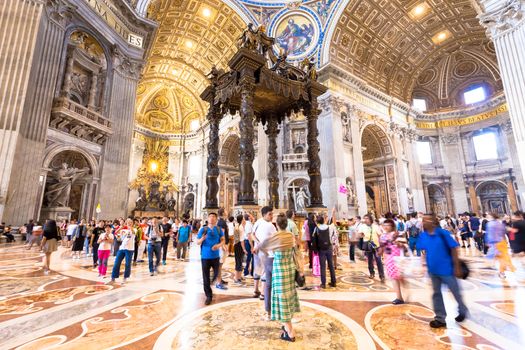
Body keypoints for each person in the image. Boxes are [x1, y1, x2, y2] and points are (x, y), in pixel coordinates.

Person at [417, 214, 468, 328]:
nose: (424, 222)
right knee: (436, 294)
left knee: (455, 292)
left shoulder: (442, 233)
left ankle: (462, 309)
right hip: (433, 270)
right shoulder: (423, 236)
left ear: (434, 222)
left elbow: (453, 248)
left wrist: (457, 266)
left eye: (427, 220)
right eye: (423, 220)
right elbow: (423, 251)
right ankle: (440, 318)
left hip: (447, 269)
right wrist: (424, 265)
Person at [258, 213, 300, 342]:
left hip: (279, 270)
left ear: (277, 224)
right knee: (288, 296)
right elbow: (296, 252)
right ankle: (285, 326)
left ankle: (290, 332)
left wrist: (270, 253)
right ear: (286, 224)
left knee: (281, 299)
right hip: (290, 269)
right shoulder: (291, 236)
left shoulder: (275, 236)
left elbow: (261, 246)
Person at [196, 212, 225, 305]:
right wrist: (202, 239)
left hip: (215, 256)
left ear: (216, 219)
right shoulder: (203, 229)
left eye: (213, 217)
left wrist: (218, 245)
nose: (212, 218)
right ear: (208, 219)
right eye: (210, 217)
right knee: (206, 277)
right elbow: (197, 242)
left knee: (216, 274)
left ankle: (211, 283)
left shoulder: (219, 229)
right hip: (205, 256)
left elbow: (223, 240)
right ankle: (208, 296)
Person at [253, 206, 276, 308]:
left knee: (259, 269)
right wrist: (258, 244)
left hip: (258, 249)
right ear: (264, 215)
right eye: (270, 214)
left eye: (272, 214)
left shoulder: (259, 222)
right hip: (264, 252)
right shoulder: (270, 226)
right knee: (262, 271)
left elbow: (253, 235)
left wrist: (257, 245)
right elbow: (252, 235)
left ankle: (257, 290)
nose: (272, 216)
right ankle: (261, 293)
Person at [380, 219, 406, 304]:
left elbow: (405, 245)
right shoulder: (383, 236)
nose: (386, 227)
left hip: (398, 258)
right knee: (393, 277)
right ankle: (399, 297)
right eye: (385, 225)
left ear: (392, 226)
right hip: (389, 258)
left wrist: (399, 243)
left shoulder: (397, 234)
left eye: (388, 225)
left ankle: (401, 295)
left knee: (398, 277)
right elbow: (383, 248)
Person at [486, 212, 516, 278]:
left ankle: (501, 271)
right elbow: (504, 232)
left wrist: (488, 242)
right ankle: (503, 270)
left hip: (495, 243)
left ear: (491, 217)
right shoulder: (500, 223)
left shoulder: (489, 224)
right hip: (502, 242)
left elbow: (489, 234)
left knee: (499, 258)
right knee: (503, 257)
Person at [312, 216, 337, 289]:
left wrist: (315, 250)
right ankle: (333, 282)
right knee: (331, 265)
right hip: (329, 247)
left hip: (321, 249)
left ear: (317, 222)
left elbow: (314, 240)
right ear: (324, 220)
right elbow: (334, 224)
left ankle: (323, 283)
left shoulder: (316, 229)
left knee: (322, 266)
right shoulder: (329, 227)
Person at [360, 214, 385, 282]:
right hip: (368, 245)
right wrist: (361, 235)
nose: (365, 220)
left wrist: (381, 245)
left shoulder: (376, 226)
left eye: (367, 218)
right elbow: (360, 235)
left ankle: (382, 276)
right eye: (364, 218)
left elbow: (380, 235)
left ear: (370, 219)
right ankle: (371, 273)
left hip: (376, 245)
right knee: (370, 260)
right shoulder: (362, 226)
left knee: (378, 260)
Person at [110, 218, 135, 284]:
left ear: (132, 223)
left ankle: (125, 277)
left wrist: (130, 227)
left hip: (129, 249)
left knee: (127, 263)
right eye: (128, 222)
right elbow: (116, 233)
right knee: (116, 263)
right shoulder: (123, 230)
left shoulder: (134, 229)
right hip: (122, 248)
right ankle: (113, 278)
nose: (129, 223)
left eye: (131, 222)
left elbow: (133, 232)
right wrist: (121, 227)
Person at [216, 208, 229, 286]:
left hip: (222, 244)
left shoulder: (221, 221)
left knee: (221, 263)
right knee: (219, 264)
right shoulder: (222, 222)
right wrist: (223, 245)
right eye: (226, 210)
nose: (227, 212)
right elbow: (221, 234)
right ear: (223, 213)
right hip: (222, 245)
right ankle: (218, 282)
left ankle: (220, 279)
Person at [232, 214, 245, 286]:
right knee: (239, 261)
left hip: (236, 245)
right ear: (241, 220)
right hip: (239, 245)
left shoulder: (237, 226)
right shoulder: (241, 228)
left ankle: (239, 277)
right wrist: (244, 249)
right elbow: (242, 240)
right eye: (243, 219)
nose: (244, 220)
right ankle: (236, 278)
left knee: (239, 261)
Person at [243, 213, 254, 278]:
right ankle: (247, 271)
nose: (253, 217)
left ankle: (249, 271)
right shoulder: (248, 224)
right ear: (249, 218)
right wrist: (252, 247)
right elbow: (249, 236)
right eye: (251, 216)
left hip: (248, 241)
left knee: (250, 257)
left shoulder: (248, 223)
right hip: (249, 242)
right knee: (249, 257)